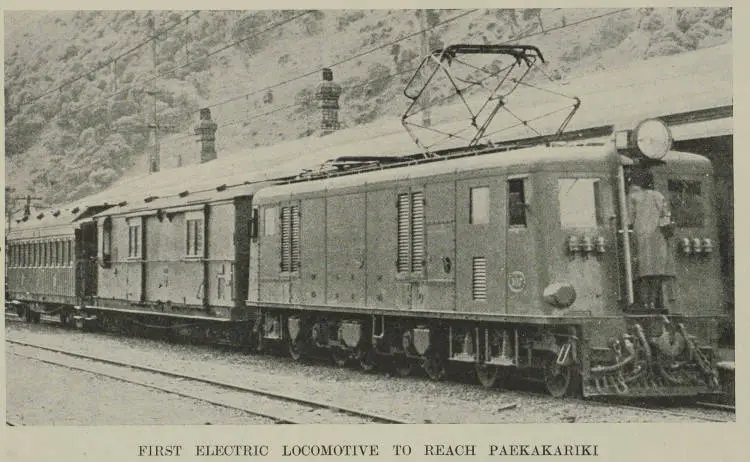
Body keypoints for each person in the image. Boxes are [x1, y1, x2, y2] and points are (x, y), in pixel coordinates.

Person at [628, 169, 675, 310]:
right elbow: (666, 216)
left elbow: (629, 219)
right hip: (658, 236)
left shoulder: (633, 197)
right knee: (657, 272)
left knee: (642, 272)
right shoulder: (659, 196)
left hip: (640, 236)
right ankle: (653, 301)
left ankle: (643, 302)